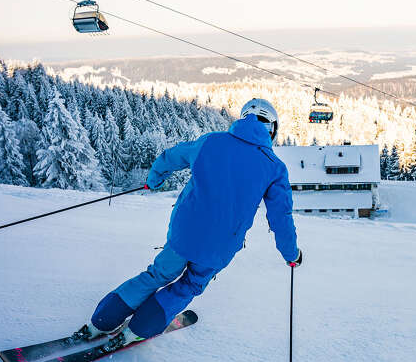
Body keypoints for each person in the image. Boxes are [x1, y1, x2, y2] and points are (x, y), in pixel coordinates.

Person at [78, 98, 302, 345]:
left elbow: (170, 157)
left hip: (184, 234)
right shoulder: (275, 167)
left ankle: (100, 322)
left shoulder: (210, 142)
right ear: (272, 129)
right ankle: (137, 330)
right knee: (189, 285)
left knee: (157, 274)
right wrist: (291, 254)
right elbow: (281, 219)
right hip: (219, 247)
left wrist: (154, 180)